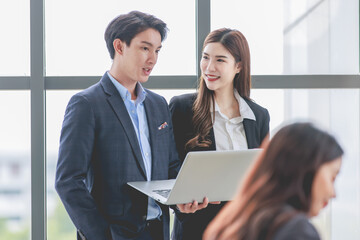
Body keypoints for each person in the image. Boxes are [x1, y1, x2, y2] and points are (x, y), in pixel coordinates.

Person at [55, 11, 206, 240]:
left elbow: (170, 168)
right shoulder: (87, 104)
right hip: (113, 234)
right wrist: (102, 235)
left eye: (157, 50)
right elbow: (68, 181)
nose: (152, 59)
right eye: (145, 48)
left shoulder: (158, 105)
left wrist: (181, 201)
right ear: (119, 46)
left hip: (158, 232)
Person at [169, 28, 270, 240]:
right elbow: (168, 168)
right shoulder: (182, 108)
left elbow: (262, 176)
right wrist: (181, 204)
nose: (209, 67)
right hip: (196, 231)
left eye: (220, 60)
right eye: (205, 58)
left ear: (239, 66)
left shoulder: (258, 116)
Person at [203, 122, 343, 240]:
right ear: (307, 169)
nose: (333, 193)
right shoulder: (297, 230)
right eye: (332, 177)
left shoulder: (233, 224)